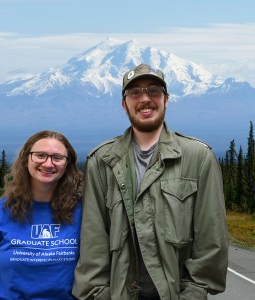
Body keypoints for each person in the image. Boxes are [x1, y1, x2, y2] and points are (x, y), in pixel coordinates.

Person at [72, 64, 228, 300]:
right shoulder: (102, 160)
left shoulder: (198, 157)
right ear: (124, 104)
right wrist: (100, 294)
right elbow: (93, 240)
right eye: (135, 92)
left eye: (153, 91)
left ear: (166, 100)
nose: (145, 99)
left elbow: (211, 238)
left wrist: (194, 293)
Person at [0, 130, 83, 300]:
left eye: (57, 158)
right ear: (26, 159)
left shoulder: (83, 213)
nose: (48, 164)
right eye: (40, 155)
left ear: (68, 164)